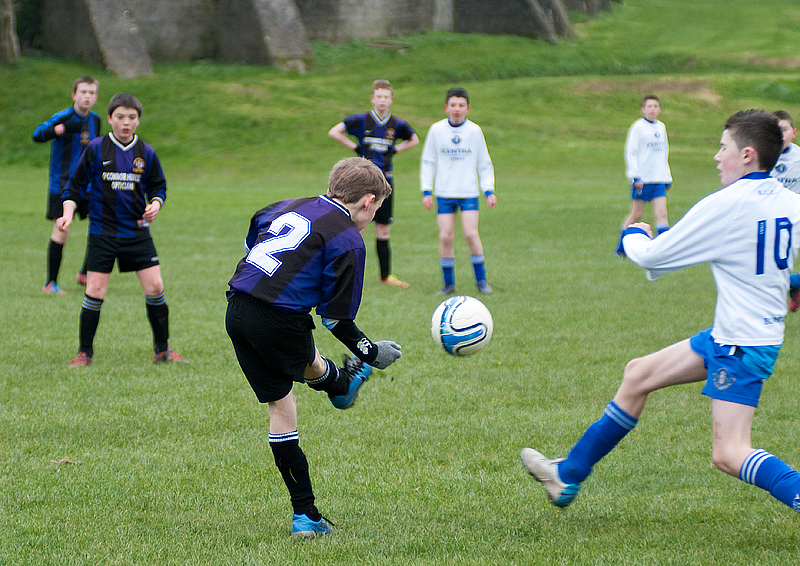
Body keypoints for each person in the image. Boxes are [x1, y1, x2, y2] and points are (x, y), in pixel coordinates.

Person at [521, 110, 800, 517]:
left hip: (741, 344)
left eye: (723, 147)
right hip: (735, 334)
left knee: (730, 452)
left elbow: (656, 257)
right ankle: (568, 474)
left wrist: (633, 233)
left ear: (747, 155)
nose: (716, 157)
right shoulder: (790, 200)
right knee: (638, 374)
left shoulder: (728, 204)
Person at [225, 157, 403, 538]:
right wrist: (373, 352)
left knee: (283, 404)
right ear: (368, 201)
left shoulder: (289, 205)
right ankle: (344, 386)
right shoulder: (348, 240)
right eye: (376, 210)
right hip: (280, 320)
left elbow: (256, 229)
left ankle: (306, 514)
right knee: (300, 367)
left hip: (236, 310)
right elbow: (336, 319)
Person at [57, 93, 187, 367]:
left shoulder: (146, 152)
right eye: (120, 117)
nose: (125, 123)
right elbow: (74, 186)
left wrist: (156, 203)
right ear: (109, 119)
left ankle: (162, 350)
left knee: (155, 287)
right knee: (95, 289)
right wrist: (67, 214)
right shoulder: (95, 148)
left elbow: (158, 185)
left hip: (137, 233)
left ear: (138, 120)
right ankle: (84, 353)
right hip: (102, 233)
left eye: (131, 117)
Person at [328, 80, 419, 288]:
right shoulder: (361, 120)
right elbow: (334, 131)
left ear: (391, 100)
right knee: (357, 229)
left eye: (386, 97)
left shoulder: (397, 124)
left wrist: (395, 150)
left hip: (385, 182)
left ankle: (386, 276)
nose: (382, 100)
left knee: (383, 230)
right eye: (379, 96)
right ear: (372, 98)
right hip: (361, 182)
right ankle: (351, 276)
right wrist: (355, 148)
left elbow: (414, 140)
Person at [420, 87, 496, 295]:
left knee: (471, 234)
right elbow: (428, 161)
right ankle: (448, 284)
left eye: (461, 105)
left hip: (468, 192)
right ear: (446, 107)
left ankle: (481, 281)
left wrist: (488, 190)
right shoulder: (436, 130)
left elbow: (484, 162)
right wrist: (426, 190)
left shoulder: (474, 131)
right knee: (445, 237)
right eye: (453, 105)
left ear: (468, 109)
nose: (457, 109)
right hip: (444, 193)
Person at [33, 76, 101, 294]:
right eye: (83, 92)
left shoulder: (96, 120)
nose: (87, 96)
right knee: (62, 231)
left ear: (96, 97)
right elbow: (37, 135)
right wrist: (59, 130)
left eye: (91, 93)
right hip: (62, 185)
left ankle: (84, 273)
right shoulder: (62, 117)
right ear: (74, 95)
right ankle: (50, 283)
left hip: (89, 185)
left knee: (101, 225)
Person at [615, 95, 672, 257]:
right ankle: (621, 246)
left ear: (660, 109)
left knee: (661, 214)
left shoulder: (661, 127)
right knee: (636, 214)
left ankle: (663, 250)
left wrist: (667, 177)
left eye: (655, 106)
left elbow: (664, 154)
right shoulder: (638, 127)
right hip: (643, 180)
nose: (652, 109)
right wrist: (635, 176)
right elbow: (631, 152)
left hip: (658, 179)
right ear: (643, 109)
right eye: (649, 106)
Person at [771, 111, 800, 311]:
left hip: (797, 217)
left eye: (784, 129)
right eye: (775, 130)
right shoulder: (763, 157)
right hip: (770, 220)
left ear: (794, 132)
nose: (780, 135)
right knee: (772, 270)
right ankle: (794, 283)